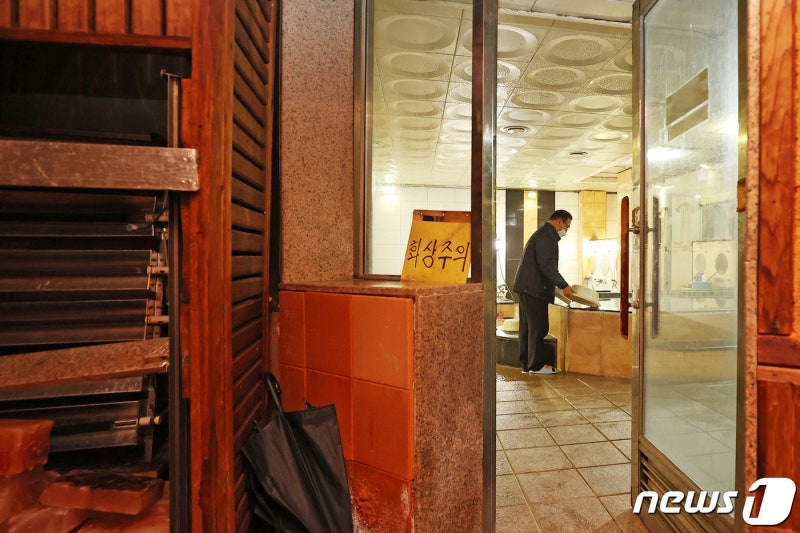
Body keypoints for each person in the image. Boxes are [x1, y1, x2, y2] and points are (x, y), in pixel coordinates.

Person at [512, 210, 576, 374]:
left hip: (527, 287)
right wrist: (563, 285)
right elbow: (547, 265)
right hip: (535, 289)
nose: (566, 231)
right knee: (538, 328)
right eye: (567, 227)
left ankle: (526, 364)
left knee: (527, 328)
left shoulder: (542, 234)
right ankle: (536, 366)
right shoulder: (547, 237)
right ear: (559, 221)